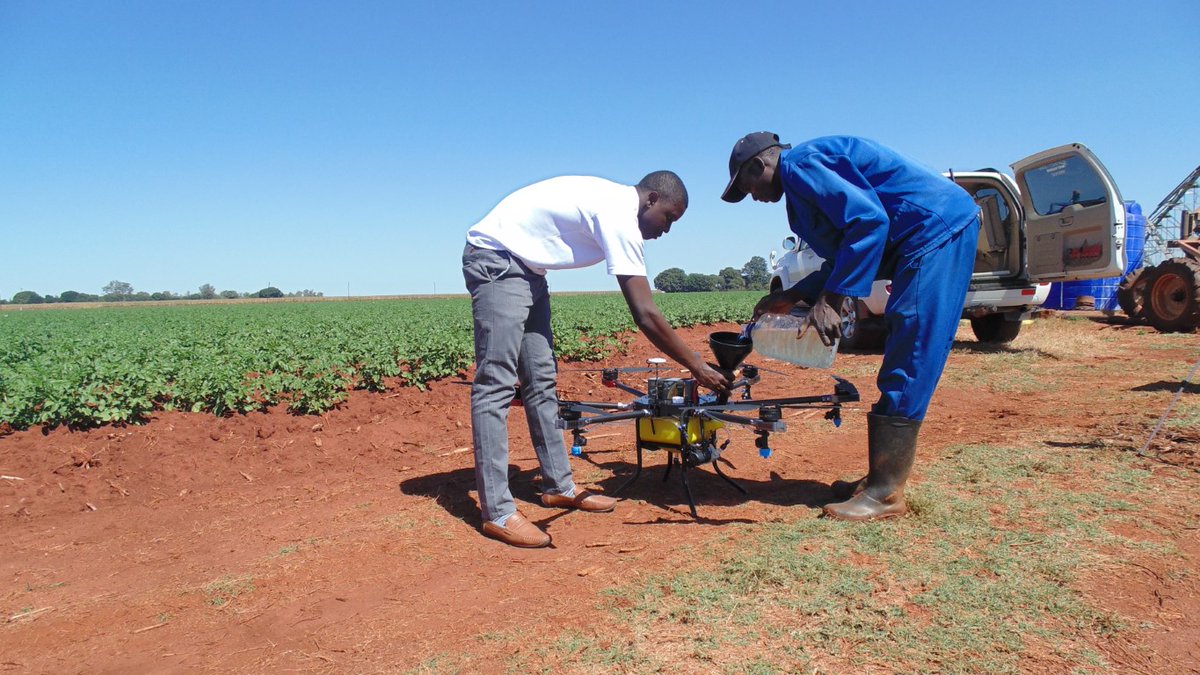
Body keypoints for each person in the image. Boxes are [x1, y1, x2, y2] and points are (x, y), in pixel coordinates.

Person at [463, 171, 731, 547]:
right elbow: (645, 314)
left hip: (529, 270)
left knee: (541, 380)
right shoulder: (619, 214)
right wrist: (697, 366)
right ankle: (498, 512)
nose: (667, 229)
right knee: (496, 384)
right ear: (651, 199)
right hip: (498, 262)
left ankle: (559, 485)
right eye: (670, 217)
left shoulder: (617, 207)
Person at [721, 132, 980, 521]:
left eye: (747, 185)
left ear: (759, 165)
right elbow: (844, 251)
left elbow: (868, 222)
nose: (752, 196)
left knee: (912, 345)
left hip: (934, 233)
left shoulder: (803, 165)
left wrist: (832, 299)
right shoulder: (800, 188)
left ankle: (884, 494)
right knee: (906, 341)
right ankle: (880, 478)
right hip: (919, 239)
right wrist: (793, 295)